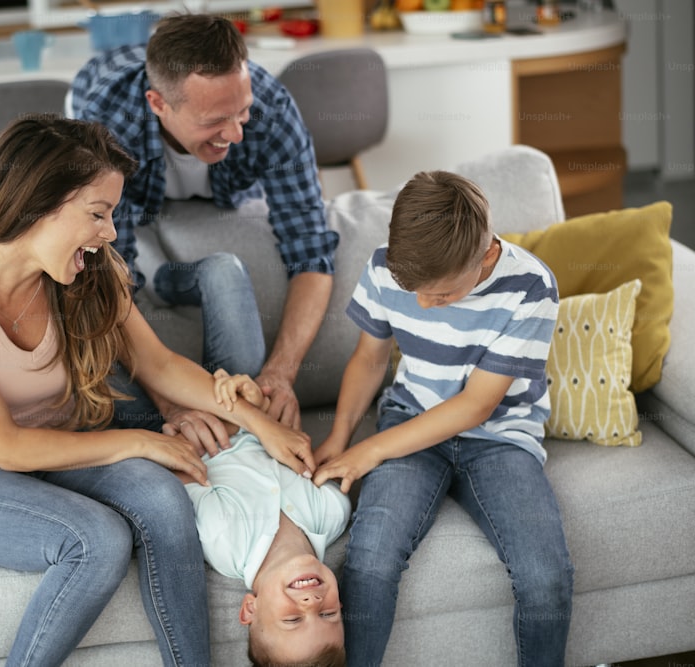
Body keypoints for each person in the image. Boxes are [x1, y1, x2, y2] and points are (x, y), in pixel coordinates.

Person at [0, 117, 315, 667]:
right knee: (96, 540)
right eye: (97, 214)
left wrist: (264, 425)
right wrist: (137, 441)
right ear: (40, 202)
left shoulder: (89, 274)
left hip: (57, 445)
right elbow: (8, 448)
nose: (110, 232)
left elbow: (157, 364)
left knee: (164, 495)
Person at [311, 171, 575, 665]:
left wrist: (366, 451)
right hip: (411, 418)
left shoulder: (530, 287)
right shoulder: (385, 267)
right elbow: (370, 359)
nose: (423, 306)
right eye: (413, 292)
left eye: (442, 296)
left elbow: (476, 406)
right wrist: (340, 435)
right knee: (368, 562)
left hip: (499, 437)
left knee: (546, 577)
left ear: (485, 257)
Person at [69, 13, 340, 454]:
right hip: (101, 102)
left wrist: (280, 375)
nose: (236, 132)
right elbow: (105, 277)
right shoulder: (105, 122)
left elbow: (312, 253)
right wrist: (172, 404)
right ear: (158, 104)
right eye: (216, 119)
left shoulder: (268, 109)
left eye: (242, 111)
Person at [177, 369, 349, 667]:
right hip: (245, 391)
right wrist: (258, 406)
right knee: (246, 344)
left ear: (250, 610)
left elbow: (180, 456)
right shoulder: (332, 512)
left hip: (193, 399)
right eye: (327, 614)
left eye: (292, 619)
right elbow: (293, 443)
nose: (311, 603)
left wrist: (239, 415)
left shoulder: (225, 541)